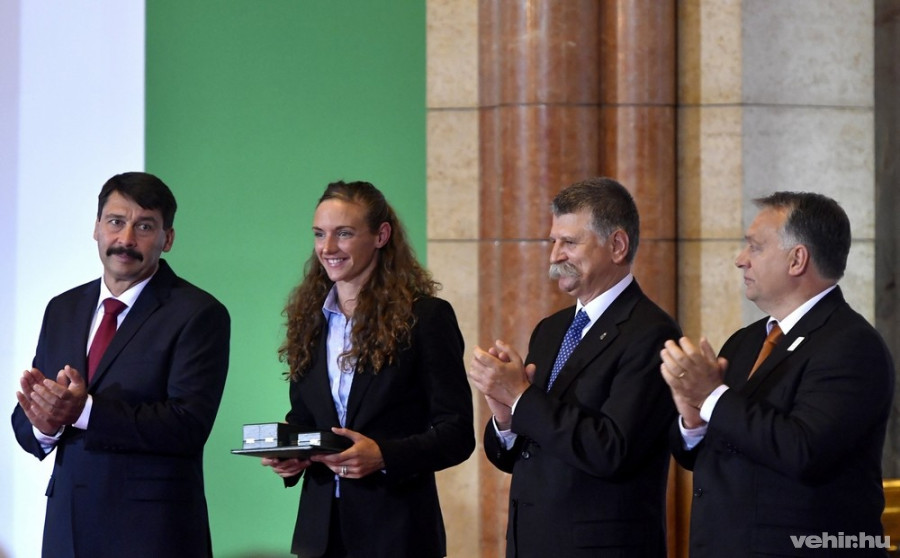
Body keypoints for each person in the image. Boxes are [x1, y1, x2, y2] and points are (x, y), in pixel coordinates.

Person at [661, 192, 895, 557]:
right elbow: (705, 457)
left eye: (754, 247)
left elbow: (803, 450)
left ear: (797, 259)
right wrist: (694, 421)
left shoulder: (851, 345)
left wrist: (712, 397)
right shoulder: (744, 342)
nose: (740, 260)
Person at [11, 172, 231, 558]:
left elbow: (188, 425)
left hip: (152, 534)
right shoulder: (62, 309)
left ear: (168, 239)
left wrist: (84, 412)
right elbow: (28, 419)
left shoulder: (198, 314)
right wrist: (43, 425)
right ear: (96, 228)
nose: (126, 240)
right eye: (116, 222)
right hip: (67, 529)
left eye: (144, 227)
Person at [468, 177, 680, 558]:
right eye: (553, 242)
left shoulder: (651, 332)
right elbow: (516, 457)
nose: (554, 256)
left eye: (569, 242)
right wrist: (505, 418)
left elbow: (612, 449)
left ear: (617, 245)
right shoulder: (550, 330)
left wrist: (521, 397)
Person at [262, 180, 475, 558]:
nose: (327, 248)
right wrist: (292, 454)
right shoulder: (309, 320)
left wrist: (384, 455)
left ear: (381, 235)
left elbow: (457, 434)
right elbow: (305, 417)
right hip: (321, 536)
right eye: (319, 234)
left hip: (398, 535)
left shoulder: (425, 317)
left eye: (344, 234)